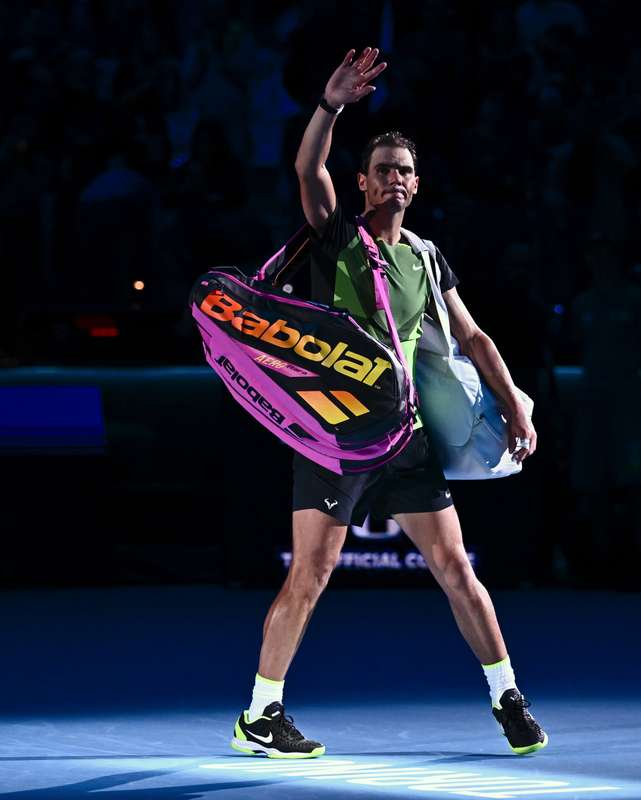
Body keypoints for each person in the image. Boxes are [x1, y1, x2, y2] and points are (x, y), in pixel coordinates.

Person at [230, 47, 548, 759]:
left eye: (405, 170)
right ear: (364, 184)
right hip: (333, 434)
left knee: (457, 568)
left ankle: (508, 699)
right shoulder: (337, 238)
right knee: (309, 573)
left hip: (402, 436)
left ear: (416, 184)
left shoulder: (428, 259)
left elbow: (473, 336)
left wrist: (517, 406)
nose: (395, 180)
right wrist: (331, 105)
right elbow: (307, 171)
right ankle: (260, 714)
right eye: (383, 171)